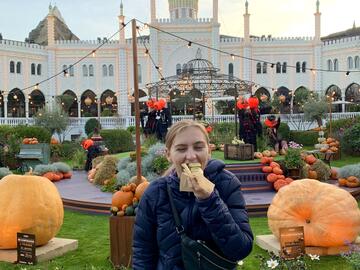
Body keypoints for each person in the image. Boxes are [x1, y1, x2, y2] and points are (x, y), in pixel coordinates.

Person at [133, 120, 253, 269]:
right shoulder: (155, 193)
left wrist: (210, 201)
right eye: (181, 149)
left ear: (208, 151)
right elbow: (143, 254)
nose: (191, 156)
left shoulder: (227, 184)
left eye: (198, 147)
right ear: (168, 154)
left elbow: (241, 249)